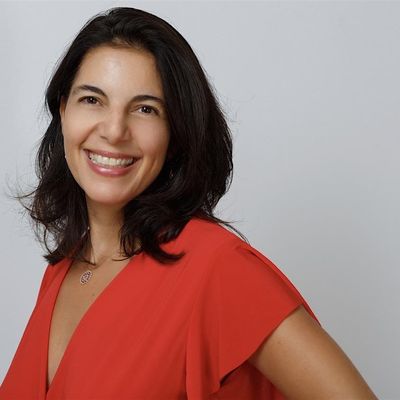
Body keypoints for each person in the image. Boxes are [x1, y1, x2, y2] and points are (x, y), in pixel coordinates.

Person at [0, 6, 377, 400]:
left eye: (146, 109)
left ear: (176, 130)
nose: (114, 130)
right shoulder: (62, 270)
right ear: (63, 109)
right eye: (92, 99)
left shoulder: (218, 268)